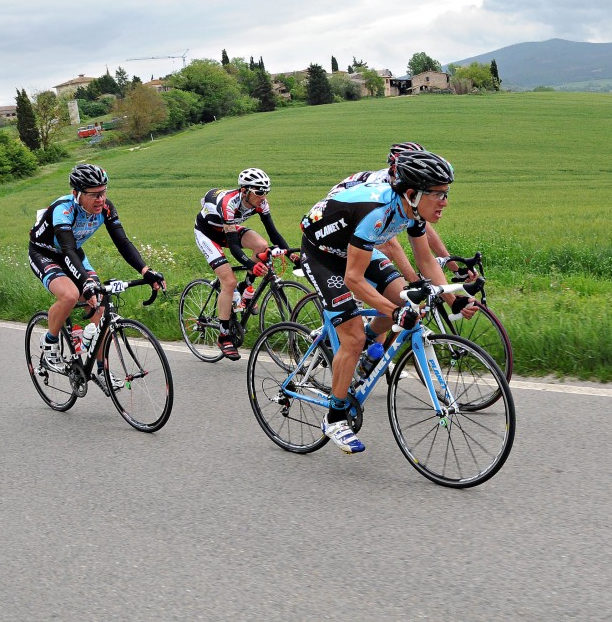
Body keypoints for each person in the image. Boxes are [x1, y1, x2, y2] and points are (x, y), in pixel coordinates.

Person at [300, 150, 473, 454]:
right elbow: (353, 279)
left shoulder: (413, 212)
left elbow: (426, 260)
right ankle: (335, 417)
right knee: (353, 337)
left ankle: (362, 343)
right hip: (323, 255)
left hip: (355, 248)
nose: (446, 201)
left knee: (405, 297)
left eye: (447, 193)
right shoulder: (376, 213)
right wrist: (393, 311)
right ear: (412, 193)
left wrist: (453, 301)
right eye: (440, 194)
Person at [28, 163, 166, 387]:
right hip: (46, 253)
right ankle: (50, 341)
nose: (100, 199)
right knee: (71, 295)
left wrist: (145, 270)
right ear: (76, 194)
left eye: (103, 192)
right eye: (94, 195)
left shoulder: (106, 208)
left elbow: (122, 242)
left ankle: (102, 369)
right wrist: (85, 282)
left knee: (101, 308)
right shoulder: (63, 210)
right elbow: (67, 249)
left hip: (73, 253)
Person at [326, 141, 478, 307]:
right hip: (337, 227)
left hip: (361, 223)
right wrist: (414, 281)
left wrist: (454, 269)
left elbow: (425, 232)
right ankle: (358, 300)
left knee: (400, 301)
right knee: (383, 256)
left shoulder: (410, 194)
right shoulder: (384, 189)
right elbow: (391, 245)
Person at [193, 167, 301, 360]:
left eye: (266, 191)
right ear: (245, 190)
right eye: (259, 192)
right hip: (208, 234)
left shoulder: (261, 203)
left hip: (228, 229)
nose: (263, 196)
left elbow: (273, 233)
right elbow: (234, 247)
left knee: (261, 245)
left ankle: (247, 287)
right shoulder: (229, 204)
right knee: (228, 282)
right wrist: (252, 266)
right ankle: (224, 335)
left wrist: (291, 255)